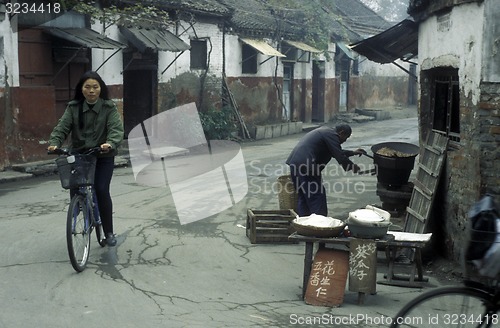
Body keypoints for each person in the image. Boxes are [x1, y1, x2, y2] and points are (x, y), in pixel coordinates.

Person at [48, 71, 124, 246]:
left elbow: (116, 129)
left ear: (100, 89)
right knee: (74, 186)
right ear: (81, 89)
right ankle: (78, 206)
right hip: (80, 155)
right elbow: (62, 127)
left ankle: (109, 232)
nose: (91, 91)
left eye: (95, 87)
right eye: (87, 87)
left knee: (101, 189)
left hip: (103, 155)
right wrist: (54, 143)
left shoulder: (108, 107)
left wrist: (110, 143)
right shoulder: (73, 107)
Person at [286, 124, 366, 217]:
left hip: (295, 164)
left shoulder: (326, 132)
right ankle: (320, 225)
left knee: (304, 197)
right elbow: (339, 155)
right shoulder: (332, 135)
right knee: (317, 197)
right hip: (307, 167)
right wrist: (352, 166)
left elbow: (334, 151)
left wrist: (353, 153)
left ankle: (304, 224)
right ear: (341, 133)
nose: (344, 141)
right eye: (345, 138)